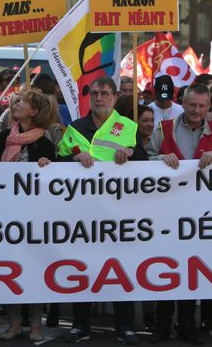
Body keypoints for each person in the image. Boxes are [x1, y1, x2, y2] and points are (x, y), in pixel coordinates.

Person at [58, 77, 146, 345]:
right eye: (94, 93)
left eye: (104, 93)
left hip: (119, 209)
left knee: (121, 266)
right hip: (82, 210)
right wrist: (73, 158)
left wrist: (130, 153)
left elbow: (144, 161)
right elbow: (58, 160)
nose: (98, 98)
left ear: (115, 96)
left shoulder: (128, 126)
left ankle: (125, 325)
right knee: (82, 266)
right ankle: (80, 324)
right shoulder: (75, 128)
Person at [147, 83, 212, 345]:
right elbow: (143, 161)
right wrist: (160, 160)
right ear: (184, 102)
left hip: (201, 216)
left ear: (207, 106)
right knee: (166, 269)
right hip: (166, 213)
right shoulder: (164, 129)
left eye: (202, 106)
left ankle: (187, 325)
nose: (196, 110)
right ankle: (161, 325)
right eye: (192, 105)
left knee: (191, 271)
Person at [0, 89, 58, 342]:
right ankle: (13, 323)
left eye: (21, 101)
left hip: (33, 216)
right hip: (5, 215)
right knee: (10, 269)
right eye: (15, 100)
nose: (15, 103)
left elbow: (53, 177)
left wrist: (48, 165)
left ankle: (35, 323)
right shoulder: (5, 136)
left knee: (32, 270)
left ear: (34, 112)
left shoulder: (43, 142)